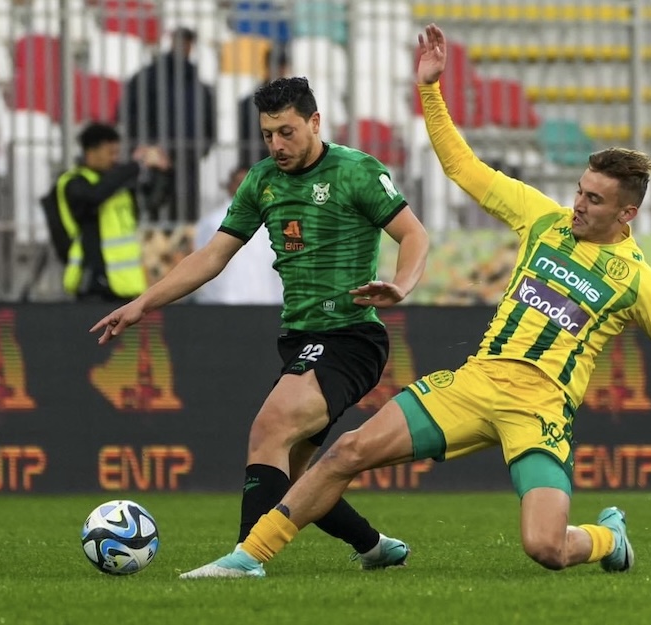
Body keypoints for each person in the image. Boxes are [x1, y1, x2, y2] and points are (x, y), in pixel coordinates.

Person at [193, 24, 651, 578]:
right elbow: (462, 167)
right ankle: (250, 556)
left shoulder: (637, 281)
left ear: (628, 213)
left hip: (540, 411)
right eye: (578, 190)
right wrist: (431, 90)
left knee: (546, 547)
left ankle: (608, 539)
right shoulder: (541, 218)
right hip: (476, 384)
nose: (577, 204)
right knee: (346, 451)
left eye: (594, 200)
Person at [90, 76, 430, 578]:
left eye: (287, 132)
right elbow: (211, 257)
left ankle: (246, 556)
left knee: (268, 430)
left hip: (351, 337)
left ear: (315, 122)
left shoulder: (357, 171)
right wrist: (143, 303)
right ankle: (374, 546)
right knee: (296, 477)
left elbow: (413, 234)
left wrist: (401, 284)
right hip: (300, 338)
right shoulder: (262, 180)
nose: (276, 144)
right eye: (268, 134)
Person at [47, 122, 170, 303]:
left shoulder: (119, 183)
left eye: (117, 153)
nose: (115, 158)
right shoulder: (73, 182)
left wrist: (161, 172)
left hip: (126, 284)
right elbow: (95, 195)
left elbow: (153, 202)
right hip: (91, 283)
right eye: (110, 153)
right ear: (91, 152)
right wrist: (135, 165)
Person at [120, 27, 217, 222]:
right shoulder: (147, 78)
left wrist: (192, 152)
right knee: (154, 219)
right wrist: (149, 150)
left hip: (186, 164)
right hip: (152, 165)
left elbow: (209, 130)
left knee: (184, 222)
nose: (184, 47)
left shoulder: (198, 86)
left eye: (188, 42)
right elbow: (129, 117)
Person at [193, 165, 283, 304]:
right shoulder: (213, 221)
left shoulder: (275, 219)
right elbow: (204, 262)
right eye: (241, 183)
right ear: (230, 186)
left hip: (267, 302)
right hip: (226, 302)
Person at [238, 45, 290, 167]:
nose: (280, 72)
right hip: (261, 163)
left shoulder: (294, 101)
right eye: (278, 67)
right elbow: (246, 144)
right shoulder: (250, 104)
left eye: (282, 67)